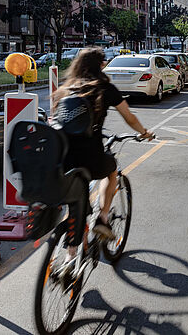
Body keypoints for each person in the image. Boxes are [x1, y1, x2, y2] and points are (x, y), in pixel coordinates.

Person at [51, 48, 154, 265]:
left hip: (63, 159)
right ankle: (103, 218)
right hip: (91, 157)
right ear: (101, 65)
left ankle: (70, 258)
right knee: (111, 171)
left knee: (75, 205)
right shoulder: (105, 88)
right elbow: (129, 117)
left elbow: (56, 120)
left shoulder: (65, 89)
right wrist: (144, 133)